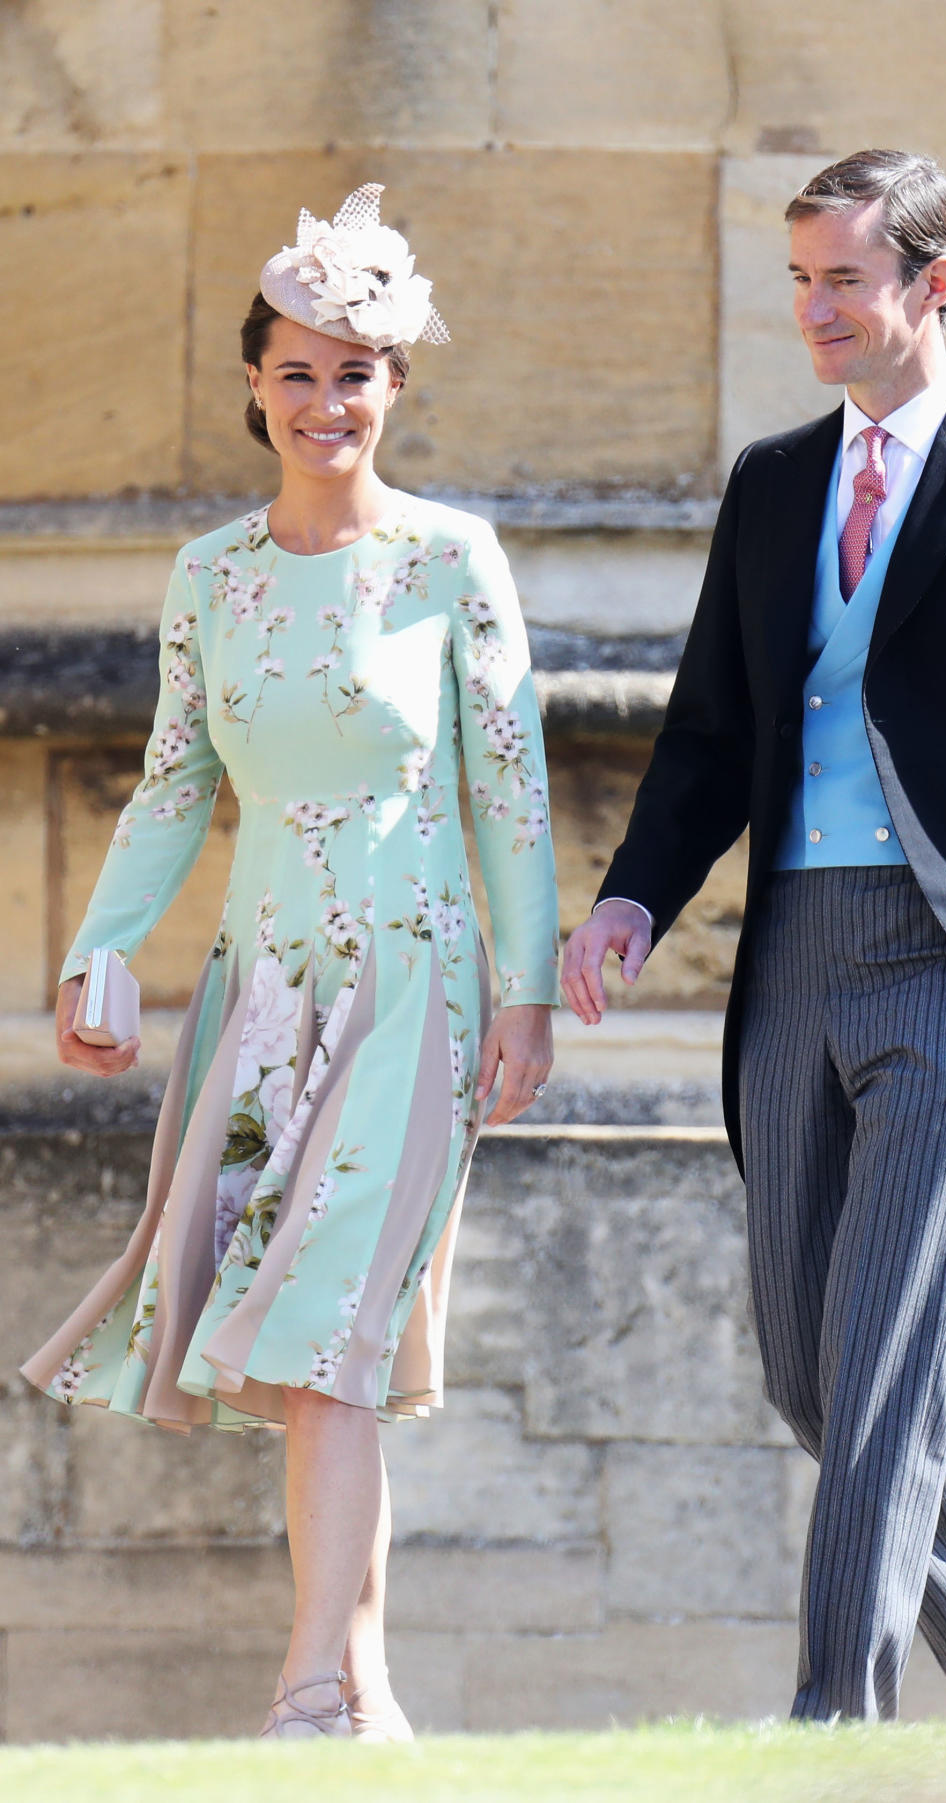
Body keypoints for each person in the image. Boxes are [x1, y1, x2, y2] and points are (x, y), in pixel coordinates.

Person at [562, 149, 946, 1724]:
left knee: (887, 1349)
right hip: (788, 961)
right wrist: (633, 896)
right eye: (798, 278)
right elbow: (707, 731)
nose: (813, 310)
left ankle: (834, 1719)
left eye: (843, 278)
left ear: (932, 283)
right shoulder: (773, 484)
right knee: (808, 1365)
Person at [22, 184, 559, 1741]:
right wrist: (97, 954)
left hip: (417, 992)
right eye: (301, 371)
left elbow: (507, 788)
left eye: (360, 372)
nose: (330, 403)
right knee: (296, 1334)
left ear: (398, 387)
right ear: (254, 384)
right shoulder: (209, 575)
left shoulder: (457, 558)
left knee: (332, 1324)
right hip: (260, 998)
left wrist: (525, 994)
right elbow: (177, 780)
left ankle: (319, 1679)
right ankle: (351, 1679)